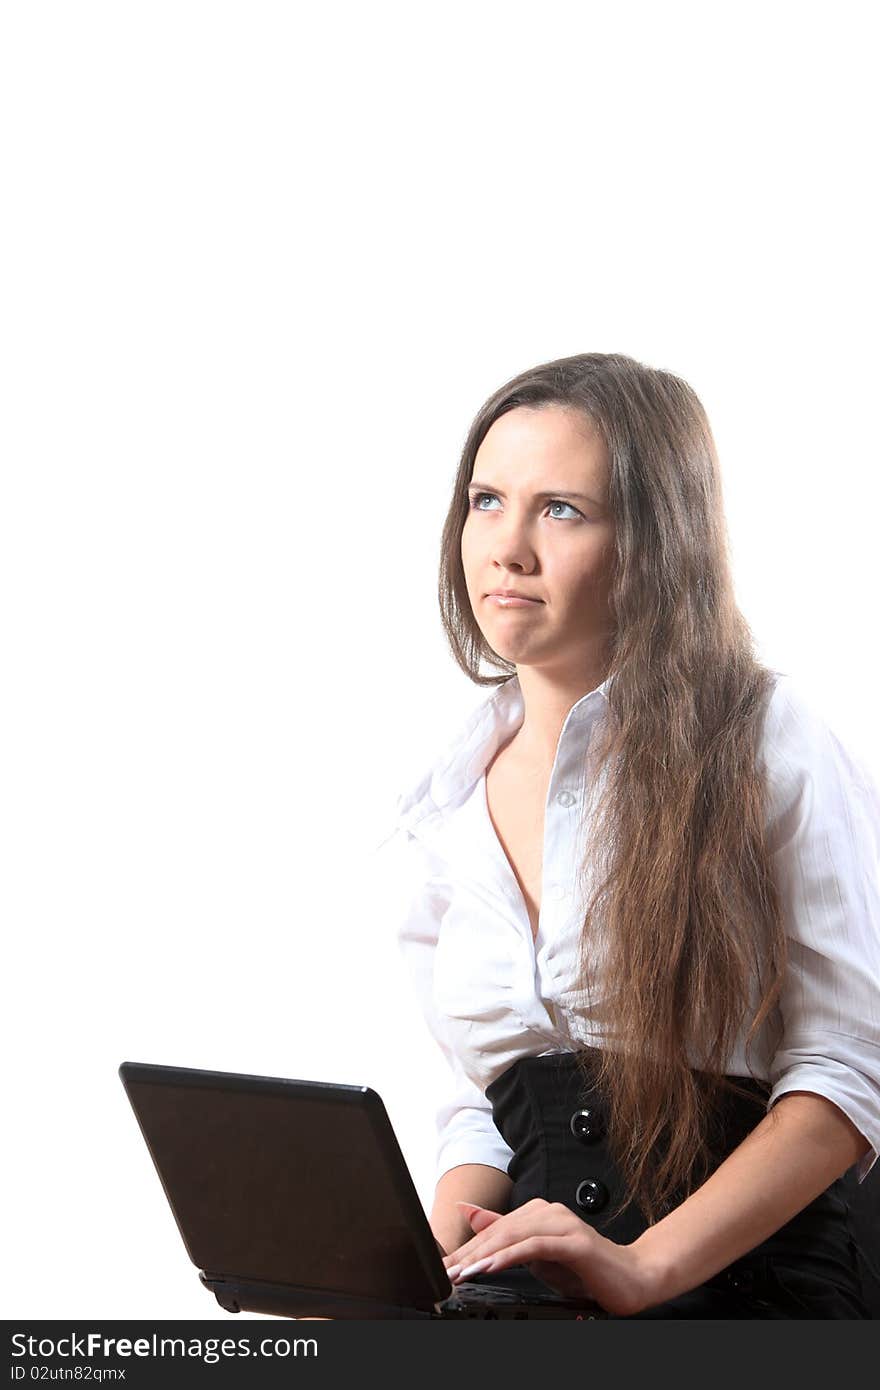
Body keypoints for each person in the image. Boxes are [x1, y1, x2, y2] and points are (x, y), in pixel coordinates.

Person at [377, 352, 880, 1318]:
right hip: (534, 1295)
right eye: (486, 501)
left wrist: (644, 1267)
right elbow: (483, 1115)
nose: (506, 548)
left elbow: (848, 1071)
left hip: (748, 1284)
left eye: (561, 509)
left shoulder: (767, 739)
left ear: (657, 541)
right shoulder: (444, 808)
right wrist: (409, 1274)